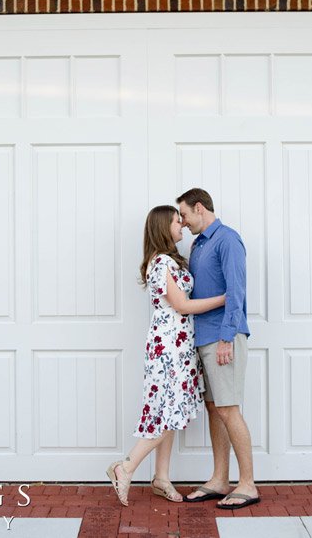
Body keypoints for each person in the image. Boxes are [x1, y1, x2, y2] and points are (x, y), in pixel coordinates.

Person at [106, 205, 225, 506]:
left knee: (169, 412)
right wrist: (224, 299)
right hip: (168, 349)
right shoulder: (161, 263)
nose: (182, 225)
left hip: (179, 346)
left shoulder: (171, 261)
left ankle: (161, 478)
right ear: (163, 227)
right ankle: (126, 467)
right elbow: (182, 306)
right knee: (165, 414)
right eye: (176, 221)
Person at [177, 188, 260, 510]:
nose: (182, 223)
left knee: (228, 408)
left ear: (199, 208)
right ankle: (219, 479)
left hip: (223, 338)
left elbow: (236, 292)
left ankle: (248, 484)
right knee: (215, 408)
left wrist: (227, 338)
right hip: (203, 337)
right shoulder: (199, 244)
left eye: (184, 214)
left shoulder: (228, 239)